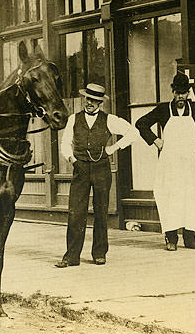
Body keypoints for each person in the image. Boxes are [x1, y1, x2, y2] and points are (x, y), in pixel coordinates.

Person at [55, 83, 139, 267]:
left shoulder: (109, 119)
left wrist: (113, 149)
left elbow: (133, 133)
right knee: (76, 212)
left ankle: (100, 253)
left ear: (100, 102)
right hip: (80, 169)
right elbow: (64, 143)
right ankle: (71, 256)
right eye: (88, 99)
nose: (90, 103)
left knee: (101, 211)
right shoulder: (73, 119)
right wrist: (72, 159)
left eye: (94, 100)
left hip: (102, 169)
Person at [135, 72, 195, 251]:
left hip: (189, 162)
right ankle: (171, 238)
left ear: (188, 93)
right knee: (169, 195)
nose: (180, 97)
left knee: (191, 196)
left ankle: (190, 238)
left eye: (184, 93)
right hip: (170, 162)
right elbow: (141, 123)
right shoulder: (164, 109)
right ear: (172, 92)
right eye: (177, 93)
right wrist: (156, 140)